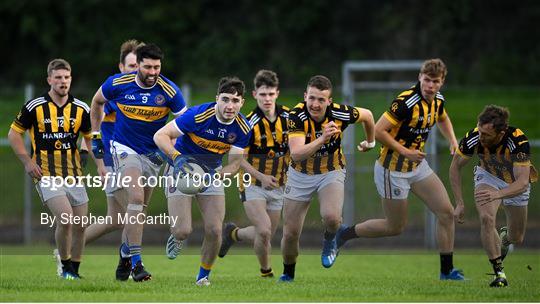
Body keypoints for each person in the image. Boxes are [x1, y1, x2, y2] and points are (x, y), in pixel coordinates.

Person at [337, 58, 465, 281]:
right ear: (419, 78)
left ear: (442, 82)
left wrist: (453, 140)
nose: (430, 86)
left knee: (446, 213)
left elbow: (442, 117)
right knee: (395, 227)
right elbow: (378, 131)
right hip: (392, 170)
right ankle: (344, 234)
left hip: (417, 167)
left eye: (435, 81)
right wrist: (405, 151)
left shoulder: (438, 100)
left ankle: (447, 272)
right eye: (427, 80)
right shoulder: (406, 102)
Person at [90, 43, 186, 282]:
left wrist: (177, 154)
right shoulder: (118, 84)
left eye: (157, 67)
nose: (153, 72)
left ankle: (124, 253)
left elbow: (184, 124)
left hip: (154, 154)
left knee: (138, 211)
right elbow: (96, 102)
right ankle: (137, 263)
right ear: (138, 66)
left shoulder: (170, 90)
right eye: (147, 67)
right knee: (135, 199)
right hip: (123, 148)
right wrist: (94, 135)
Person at [154, 77, 252, 286]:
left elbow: (235, 165)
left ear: (242, 103)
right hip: (181, 168)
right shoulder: (198, 115)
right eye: (225, 99)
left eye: (235, 101)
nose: (229, 105)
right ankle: (177, 237)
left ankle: (203, 277)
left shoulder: (243, 128)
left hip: (211, 172)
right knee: (182, 230)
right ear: (217, 98)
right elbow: (160, 135)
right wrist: (177, 158)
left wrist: (214, 176)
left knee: (215, 229)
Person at [279, 75, 375, 282]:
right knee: (290, 233)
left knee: (332, 218)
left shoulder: (340, 113)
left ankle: (330, 240)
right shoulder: (296, 116)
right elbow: (296, 153)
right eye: (311, 98)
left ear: (329, 101)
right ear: (305, 96)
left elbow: (368, 115)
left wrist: (370, 142)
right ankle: (288, 273)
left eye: (321, 100)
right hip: (299, 174)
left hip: (331, 171)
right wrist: (322, 138)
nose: (315, 104)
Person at [8, 59, 93, 279]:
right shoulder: (34, 107)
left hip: (74, 175)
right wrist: (27, 161)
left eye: (66, 78)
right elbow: (13, 134)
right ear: (49, 80)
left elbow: (90, 137)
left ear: (71, 79)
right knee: (65, 219)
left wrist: (95, 160)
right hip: (46, 174)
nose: (63, 82)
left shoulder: (81, 109)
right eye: (58, 78)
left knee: (81, 225)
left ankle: (74, 269)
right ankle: (65, 268)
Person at [449, 105, 536, 287]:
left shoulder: (517, 141)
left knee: (517, 237)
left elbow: (522, 183)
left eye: (486, 135)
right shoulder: (473, 137)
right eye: (480, 131)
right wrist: (459, 203)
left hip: (513, 182)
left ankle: (505, 237)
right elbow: (455, 166)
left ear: (501, 132)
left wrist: (498, 194)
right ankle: (499, 274)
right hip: (488, 175)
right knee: (487, 218)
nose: (481, 137)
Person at [218, 70, 289, 278]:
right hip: (251, 183)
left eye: (271, 94)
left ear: (277, 93)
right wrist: (261, 177)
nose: (267, 99)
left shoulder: (289, 118)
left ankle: (233, 234)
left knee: (265, 234)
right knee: (264, 230)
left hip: (278, 185)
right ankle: (266, 272)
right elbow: (239, 160)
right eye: (262, 94)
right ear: (255, 94)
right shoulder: (248, 124)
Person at [85, 39, 144, 245]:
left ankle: (66, 249)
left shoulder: (144, 94)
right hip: (114, 163)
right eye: (131, 66)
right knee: (135, 210)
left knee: (115, 219)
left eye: (139, 66)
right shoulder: (114, 94)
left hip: (134, 161)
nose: (135, 71)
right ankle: (131, 262)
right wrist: (101, 164)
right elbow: (91, 132)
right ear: (121, 67)